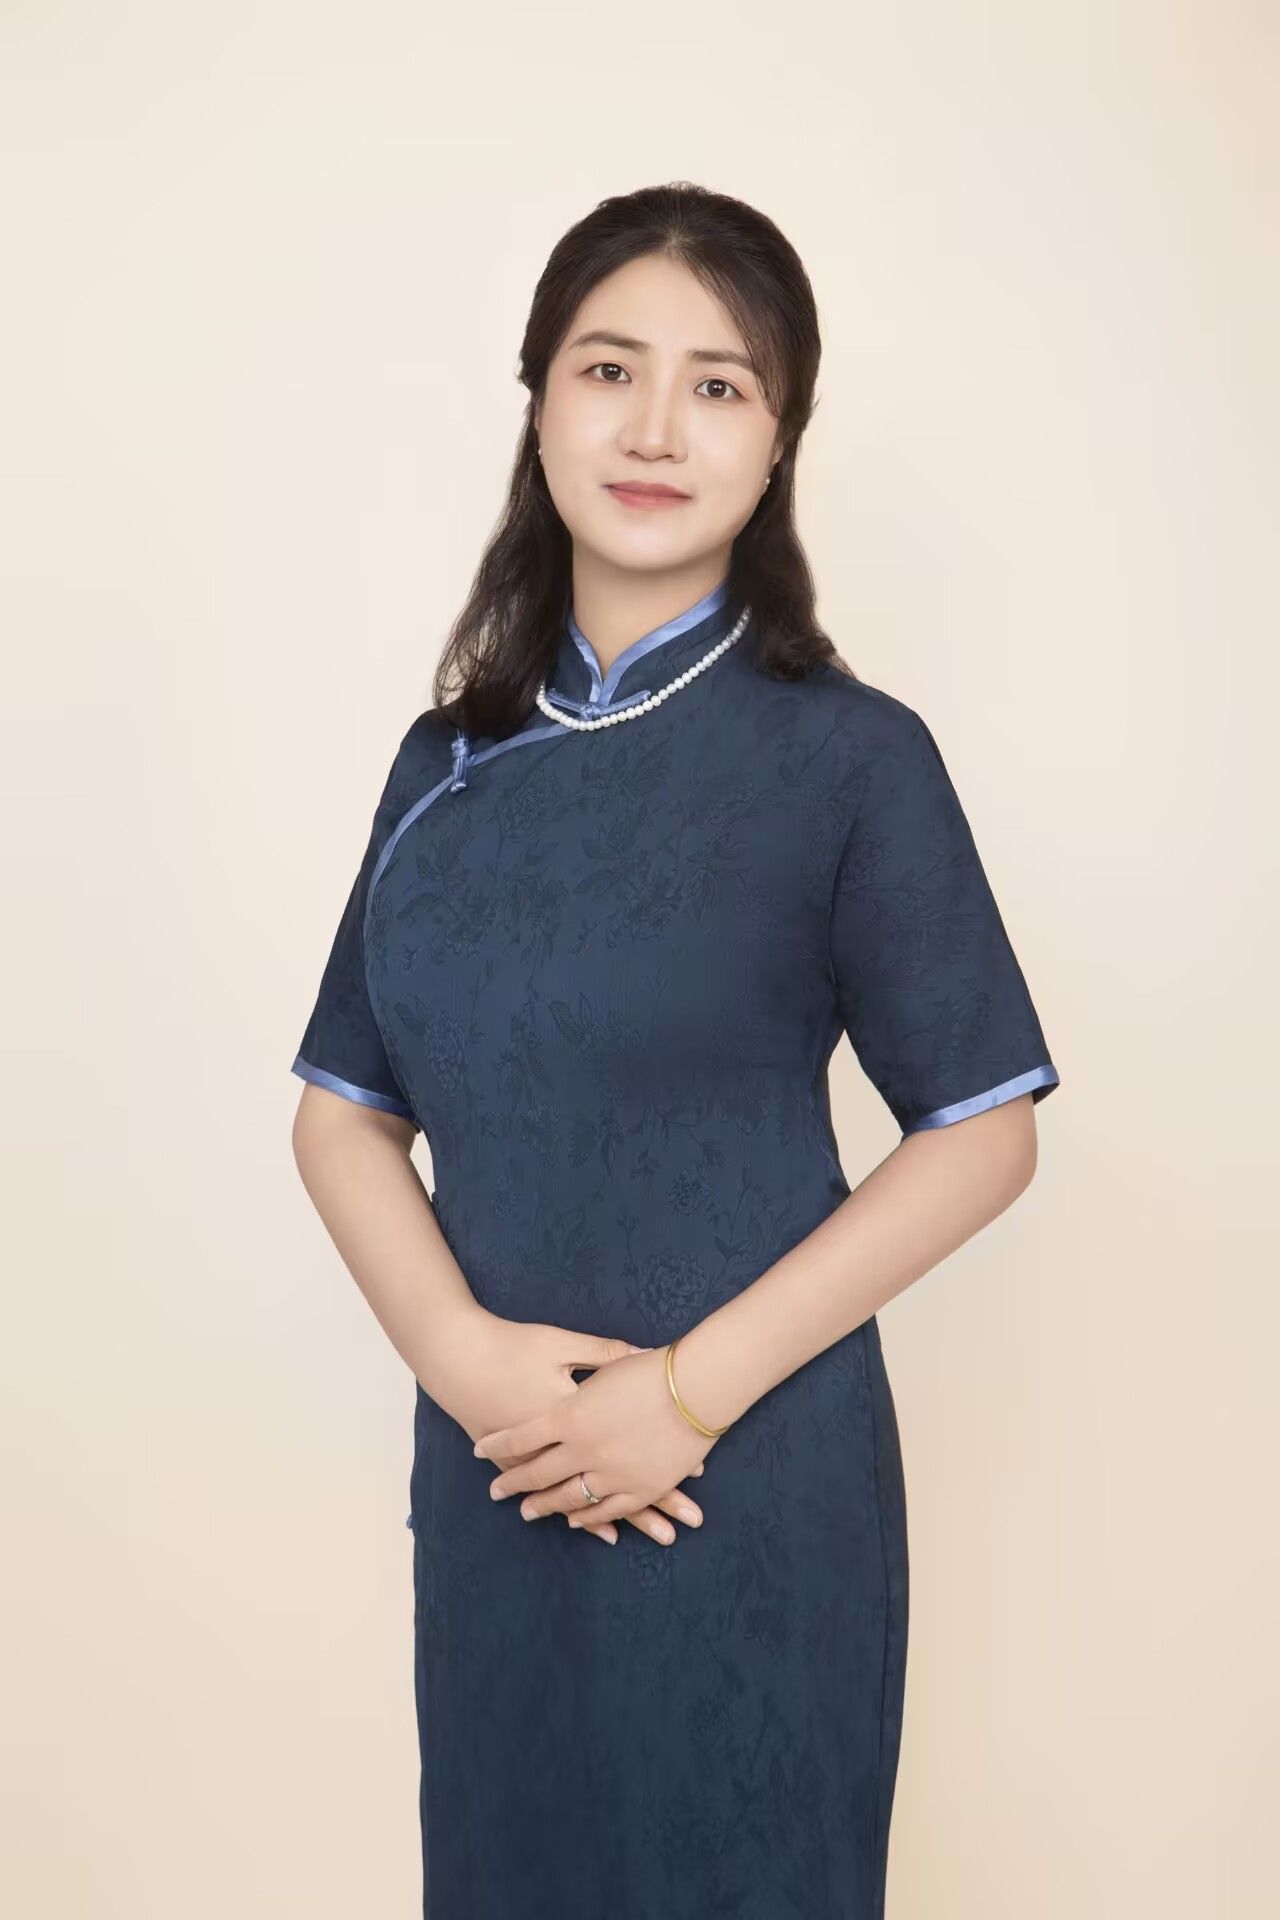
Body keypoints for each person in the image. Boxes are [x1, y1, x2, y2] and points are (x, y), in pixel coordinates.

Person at [289, 181, 1060, 1919]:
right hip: (496, 1477)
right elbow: (343, 1113)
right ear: (538, 403)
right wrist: (464, 1362)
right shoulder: (444, 768)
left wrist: (686, 1395)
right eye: (608, 369)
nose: (654, 428)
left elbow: (983, 1131)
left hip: (744, 1480)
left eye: (718, 386)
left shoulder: (851, 757)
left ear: (779, 442)